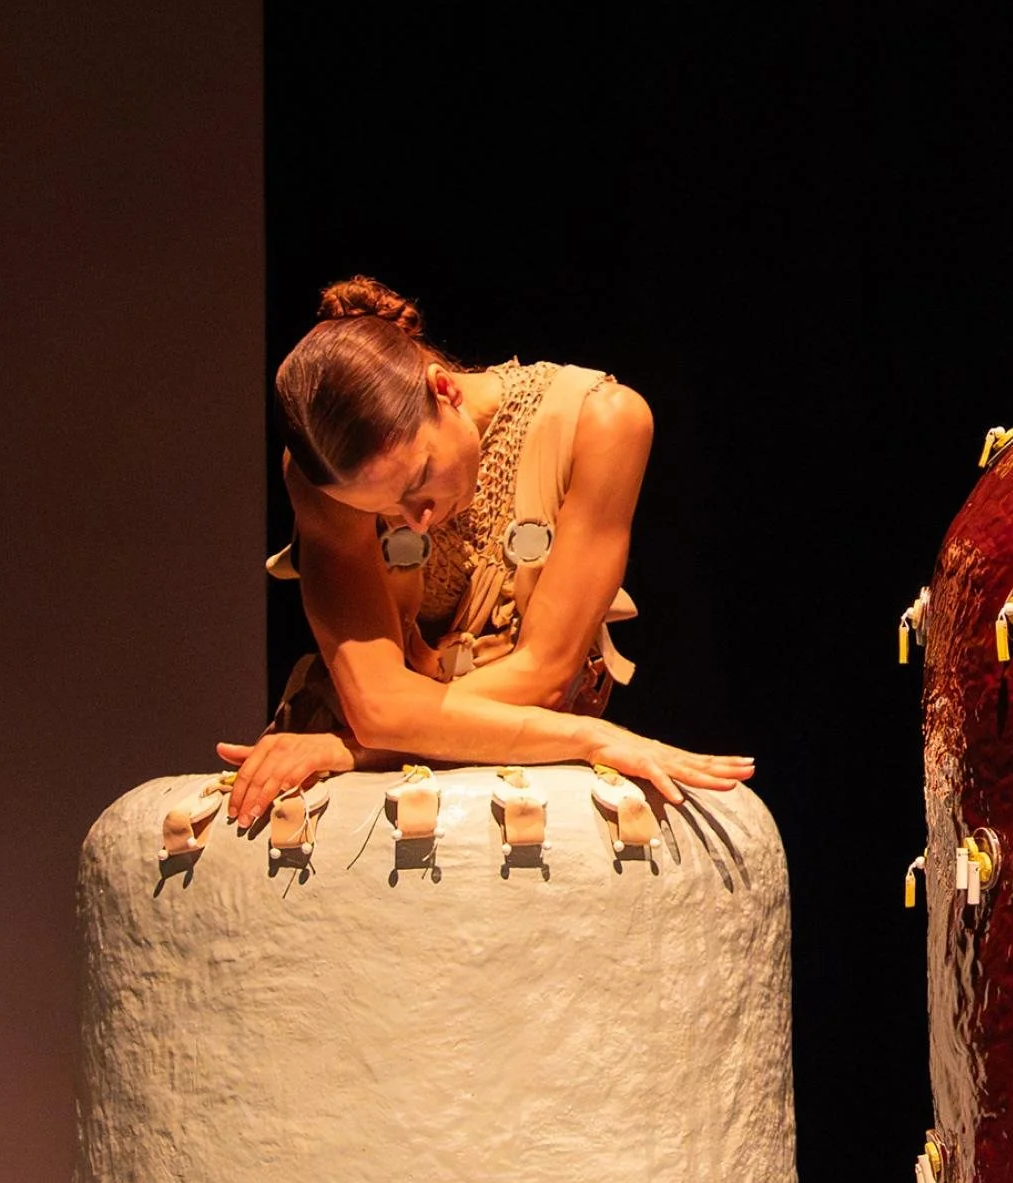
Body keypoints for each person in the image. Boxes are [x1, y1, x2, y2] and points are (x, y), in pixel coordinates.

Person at [217, 275, 752, 831]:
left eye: (418, 481)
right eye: (382, 510)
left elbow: (543, 674)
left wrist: (352, 745)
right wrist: (591, 736)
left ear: (444, 391)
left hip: (510, 781)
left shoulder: (602, 422)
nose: (415, 519)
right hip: (351, 791)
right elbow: (375, 706)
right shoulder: (322, 479)